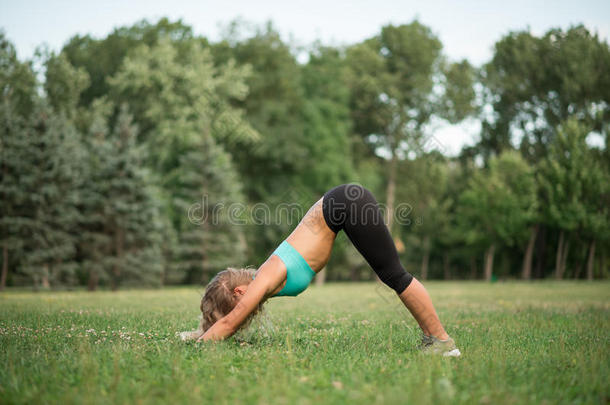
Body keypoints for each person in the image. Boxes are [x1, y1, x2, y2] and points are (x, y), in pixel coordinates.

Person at [183, 184, 460, 356]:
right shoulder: (264, 279)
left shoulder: (266, 277)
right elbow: (226, 322)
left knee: (393, 275)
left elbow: (229, 324)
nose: (241, 315)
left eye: (235, 306)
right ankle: (434, 340)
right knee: (392, 274)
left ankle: (442, 341)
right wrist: (201, 332)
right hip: (343, 205)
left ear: (239, 291)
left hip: (347, 204)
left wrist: (196, 348)